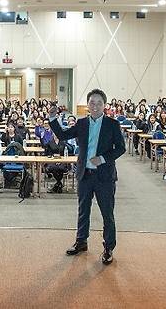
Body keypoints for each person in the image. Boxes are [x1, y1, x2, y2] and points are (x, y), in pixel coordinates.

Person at [49, 88, 125, 266]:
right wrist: (53, 118)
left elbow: (121, 148)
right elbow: (63, 135)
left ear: (105, 105)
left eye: (99, 103)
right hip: (85, 174)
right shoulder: (82, 123)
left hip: (104, 176)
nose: (95, 106)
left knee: (107, 213)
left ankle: (108, 247)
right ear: (88, 105)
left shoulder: (112, 124)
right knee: (83, 210)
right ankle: (81, 241)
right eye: (92, 102)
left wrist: (103, 158)